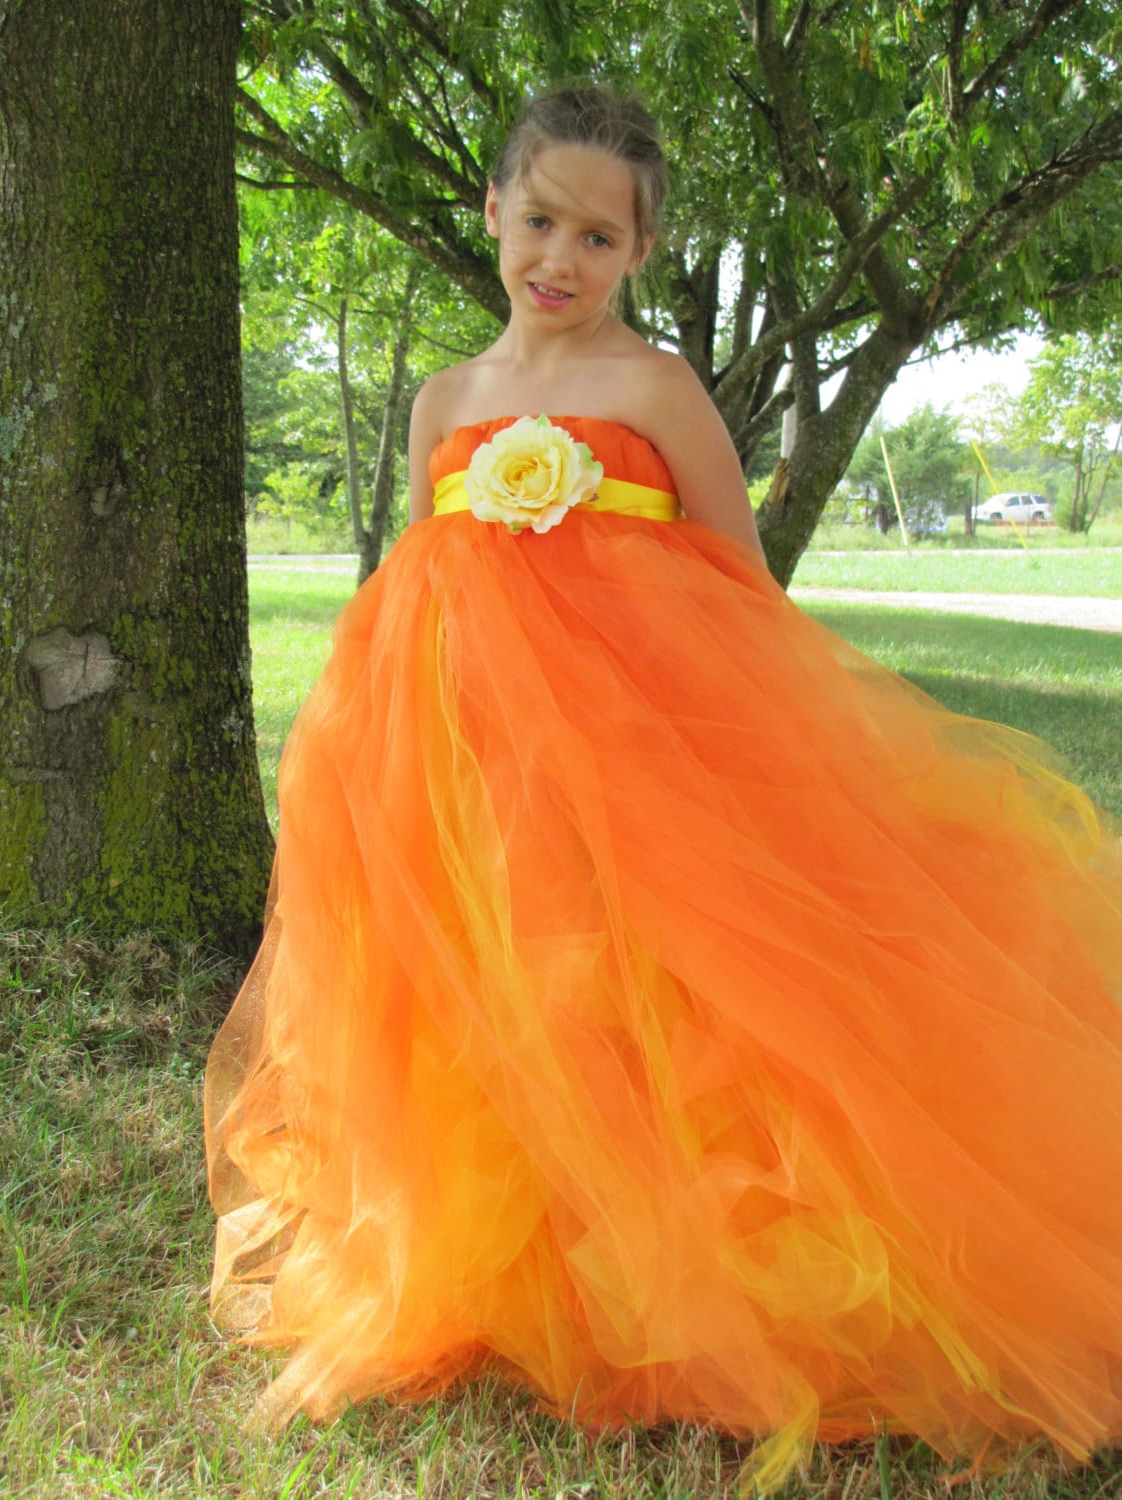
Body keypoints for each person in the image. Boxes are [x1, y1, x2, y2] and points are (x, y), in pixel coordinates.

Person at [205, 87, 1122, 1491]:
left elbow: (734, 586)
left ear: (637, 251)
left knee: (649, 1002)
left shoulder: (654, 389)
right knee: (505, 1000)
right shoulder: (446, 398)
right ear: (493, 213)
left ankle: (688, 1290)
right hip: (467, 764)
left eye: (596, 235)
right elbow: (428, 575)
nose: (558, 259)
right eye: (537, 222)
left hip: (645, 761)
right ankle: (531, 1285)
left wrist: (732, 751)